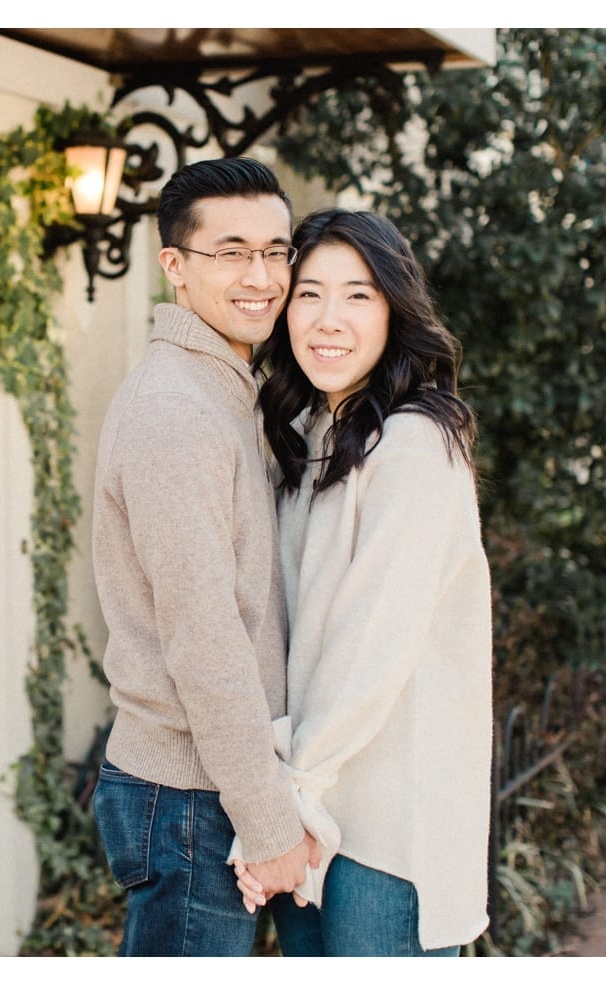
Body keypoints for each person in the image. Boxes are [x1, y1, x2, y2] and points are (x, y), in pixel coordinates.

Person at [231, 208, 493, 956]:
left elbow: (371, 644)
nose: (328, 320)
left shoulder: (413, 444)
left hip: (384, 826)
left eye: (358, 295)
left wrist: (291, 794)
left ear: (393, 311)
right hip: (309, 807)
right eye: (309, 294)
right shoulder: (309, 435)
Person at [90, 157, 320, 957]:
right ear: (176, 267)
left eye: (276, 250)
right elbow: (203, 635)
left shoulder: (225, 388)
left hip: (204, 784)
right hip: (188, 792)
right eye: (231, 252)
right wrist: (266, 819)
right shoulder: (175, 410)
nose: (261, 276)